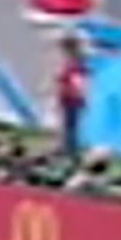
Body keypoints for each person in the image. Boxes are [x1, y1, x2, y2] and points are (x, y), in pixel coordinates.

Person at [54, 32, 88, 161]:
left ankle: (70, 151)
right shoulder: (73, 62)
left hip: (71, 97)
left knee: (70, 126)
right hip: (69, 96)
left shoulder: (75, 62)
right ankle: (67, 148)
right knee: (68, 125)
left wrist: (78, 94)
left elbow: (76, 81)